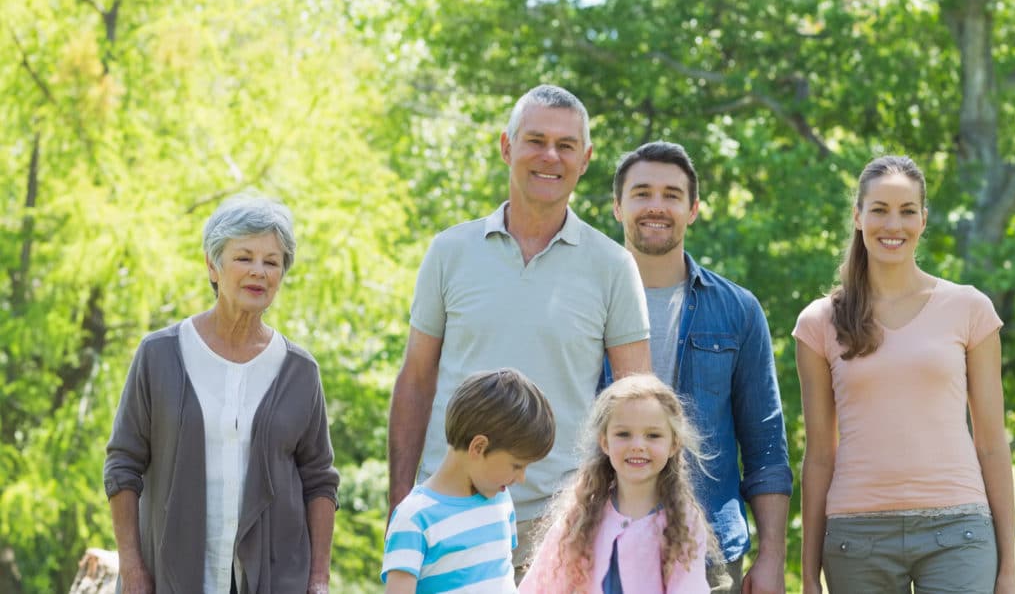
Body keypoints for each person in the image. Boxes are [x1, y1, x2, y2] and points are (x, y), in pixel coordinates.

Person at [388, 84, 651, 577]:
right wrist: (400, 502)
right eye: (535, 140)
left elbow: (634, 403)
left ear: (586, 158)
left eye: (566, 145)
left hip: (562, 521)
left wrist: (621, 518)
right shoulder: (450, 251)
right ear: (506, 147)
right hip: (447, 516)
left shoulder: (613, 266)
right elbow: (416, 380)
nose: (549, 156)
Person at [793, 155, 1015, 594]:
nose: (892, 224)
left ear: (923, 219)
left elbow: (992, 444)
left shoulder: (971, 309)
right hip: (856, 539)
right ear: (858, 217)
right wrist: (806, 575)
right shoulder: (820, 322)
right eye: (879, 209)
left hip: (959, 532)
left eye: (907, 211)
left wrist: (1007, 570)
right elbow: (819, 454)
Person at [104, 195, 339, 594]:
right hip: (173, 574)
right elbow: (123, 464)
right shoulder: (159, 355)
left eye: (272, 261)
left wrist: (318, 578)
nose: (259, 272)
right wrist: (133, 568)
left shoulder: (301, 371)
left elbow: (319, 481)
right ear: (212, 266)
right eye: (244, 257)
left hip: (277, 579)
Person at [605, 141, 792, 593]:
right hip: (602, 543)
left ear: (693, 210)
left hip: (709, 549)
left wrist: (771, 557)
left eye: (671, 195)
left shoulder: (737, 310)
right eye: (642, 193)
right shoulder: (585, 304)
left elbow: (765, 445)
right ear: (617, 207)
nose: (656, 206)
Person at [518, 373, 717, 593]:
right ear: (605, 442)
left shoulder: (682, 521)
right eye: (623, 434)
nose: (638, 445)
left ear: (673, 444)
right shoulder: (581, 513)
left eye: (653, 435)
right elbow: (542, 583)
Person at [382, 368, 556, 593]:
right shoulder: (415, 518)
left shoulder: (501, 500)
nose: (521, 478)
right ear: (479, 447)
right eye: (517, 465)